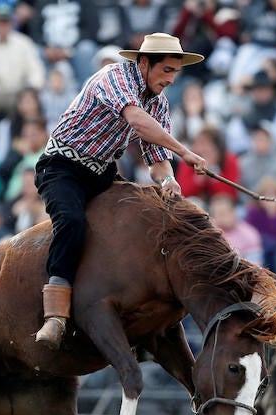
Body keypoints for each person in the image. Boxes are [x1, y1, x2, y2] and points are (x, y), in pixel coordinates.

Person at [33, 32, 207, 349]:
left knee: (142, 219)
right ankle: (55, 314)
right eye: (166, 70)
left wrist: (168, 180)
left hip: (102, 172)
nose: (170, 79)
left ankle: (133, 308)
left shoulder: (160, 104)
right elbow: (138, 122)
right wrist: (185, 153)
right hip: (61, 168)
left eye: (175, 72)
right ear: (143, 62)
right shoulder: (113, 76)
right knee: (71, 222)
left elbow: (157, 160)